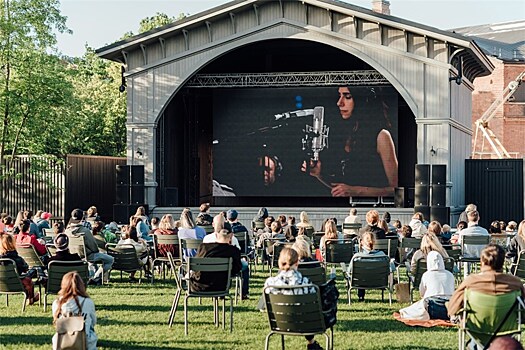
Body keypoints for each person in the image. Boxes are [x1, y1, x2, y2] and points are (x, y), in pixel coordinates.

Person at [302, 86, 398, 197]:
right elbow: (343, 190)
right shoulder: (349, 134)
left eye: (347, 97)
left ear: (363, 100)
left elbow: (395, 190)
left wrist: (356, 191)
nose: (339, 103)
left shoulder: (382, 136)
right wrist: (319, 175)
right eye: (339, 96)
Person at [264, 247, 322, 350]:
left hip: (279, 323)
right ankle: (311, 342)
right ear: (297, 263)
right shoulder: (306, 283)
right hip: (305, 323)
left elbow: (264, 305)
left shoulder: (270, 284)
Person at [447, 244, 525, 317]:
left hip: (476, 326)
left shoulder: (471, 282)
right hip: (507, 326)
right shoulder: (515, 283)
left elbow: (452, 309)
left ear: (482, 262)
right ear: (502, 261)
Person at [192, 229, 248, 298]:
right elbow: (236, 270)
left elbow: (194, 267)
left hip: (199, 286)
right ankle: (244, 293)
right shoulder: (233, 250)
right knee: (245, 265)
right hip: (222, 287)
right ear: (231, 236)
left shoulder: (203, 247)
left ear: (215, 235)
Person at [399, 251, 455, 320]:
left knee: (412, 309)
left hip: (432, 307)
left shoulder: (426, 275)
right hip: (449, 308)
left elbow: (422, 293)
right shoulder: (450, 275)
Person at [66, 208, 114, 283]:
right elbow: (94, 248)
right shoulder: (85, 231)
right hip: (87, 256)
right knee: (110, 259)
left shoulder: (67, 231)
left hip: (73, 255)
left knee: (92, 261)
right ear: (82, 217)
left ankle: (92, 276)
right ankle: (95, 278)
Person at [52, 271, 97, 350]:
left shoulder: (57, 303)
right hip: (85, 342)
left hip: (60, 341)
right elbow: (93, 321)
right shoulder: (87, 301)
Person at [344, 231, 388, 301]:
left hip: (360, 282)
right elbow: (389, 270)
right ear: (374, 242)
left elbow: (349, 272)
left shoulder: (357, 257)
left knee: (360, 275)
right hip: (379, 282)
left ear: (361, 242)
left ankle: (361, 296)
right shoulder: (382, 255)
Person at [0, 233, 39, 304]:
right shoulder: (17, 259)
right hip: (17, 284)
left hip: (2, 284)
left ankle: (31, 298)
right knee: (28, 280)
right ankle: (30, 298)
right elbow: (24, 269)